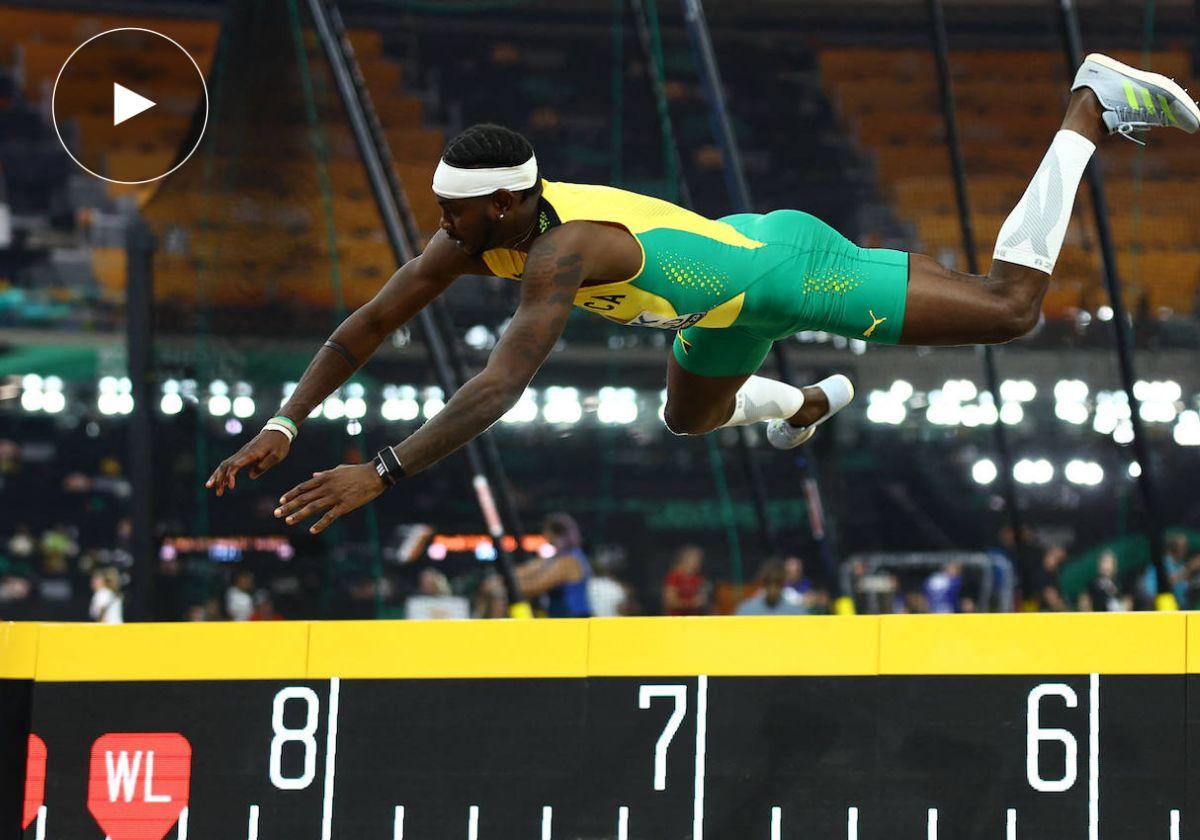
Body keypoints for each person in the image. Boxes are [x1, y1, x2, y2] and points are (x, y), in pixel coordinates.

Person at [204, 56, 1199, 534]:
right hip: (726, 294)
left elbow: (500, 383)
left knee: (1011, 309)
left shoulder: (561, 253)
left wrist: (381, 469)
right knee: (692, 417)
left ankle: (1089, 108)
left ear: (507, 204)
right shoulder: (475, 237)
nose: (441, 233)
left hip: (788, 270)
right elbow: (368, 323)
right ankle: (806, 404)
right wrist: (288, 421)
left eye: (457, 218)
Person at [736, 560, 809, 616]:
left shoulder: (795, 611)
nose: (773, 588)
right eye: (769, 582)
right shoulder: (747, 610)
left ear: (783, 582)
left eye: (777, 582)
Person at [663, 544, 710, 616]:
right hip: (676, 620)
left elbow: (702, 600)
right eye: (695, 558)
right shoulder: (674, 576)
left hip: (693, 620)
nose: (698, 561)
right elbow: (670, 601)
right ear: (685, 558)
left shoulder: (699, 578)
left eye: (700, 559)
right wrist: (692, 603)